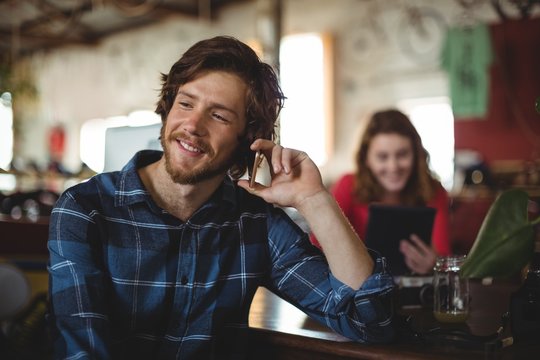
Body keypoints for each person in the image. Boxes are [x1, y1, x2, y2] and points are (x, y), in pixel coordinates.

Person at [47, 36, 395, 359]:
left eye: (218, 116)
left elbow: (370, 321)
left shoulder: (255, 223)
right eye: (185, 104)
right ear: (167, 108)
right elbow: (83, 351)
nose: (193, 125)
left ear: (248, 139)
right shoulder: (85, 209)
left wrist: (315, 199)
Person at [311, 109, 451, 275]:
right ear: (366, 159)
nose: (393, 167)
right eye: (382, 157)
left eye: (402, 154)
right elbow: (317, 245)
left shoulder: (433, 190)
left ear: (416, 154)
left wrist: (434, 264)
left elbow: (444, 256)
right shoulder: (349, 186)